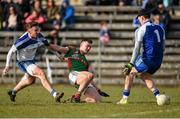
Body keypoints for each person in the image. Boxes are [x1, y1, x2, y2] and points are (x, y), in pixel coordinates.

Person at [2, 22, 64, 102]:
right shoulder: (23, 40)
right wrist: (7, 65)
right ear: (29, 31)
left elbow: (48, 46)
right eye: (35, 30)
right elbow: (10, 52)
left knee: (30, 81)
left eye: (38, 30)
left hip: (31, 60)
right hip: (23, 62)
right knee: (41, 73)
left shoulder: (39, 36)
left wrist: (58, 55)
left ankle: (13, 92)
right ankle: (55, 94)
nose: (38, 32)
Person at [117, 9, 166, 105]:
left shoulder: (141, 29)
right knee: (144, 75)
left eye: (138, 19)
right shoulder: (160, 28)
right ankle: (158, 96)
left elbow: (136, 49)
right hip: (158, 61)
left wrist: (131, 63)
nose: (138, 21)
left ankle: (124, 98)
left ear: (142, 17)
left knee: (130, 72)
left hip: (148, 59)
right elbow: (163, 47)